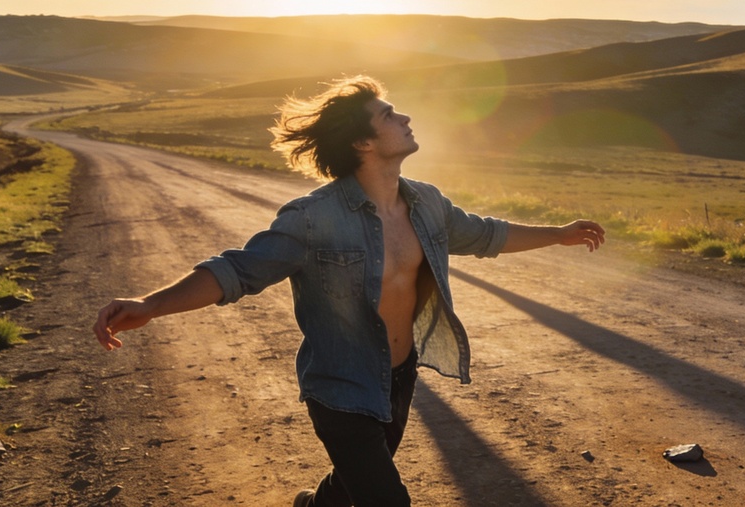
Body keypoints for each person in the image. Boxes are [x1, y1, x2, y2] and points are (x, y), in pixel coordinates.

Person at [93, 76, 605, 507]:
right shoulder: (312, 218)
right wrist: (151, 304)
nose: (404, 119)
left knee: (349, 488)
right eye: (388, 114)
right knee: (386, 500)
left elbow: (487, 234)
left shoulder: (426, 202)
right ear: (362, 142)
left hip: (398, 377)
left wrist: (557, 234)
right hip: (339, 386)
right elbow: (237, 271)